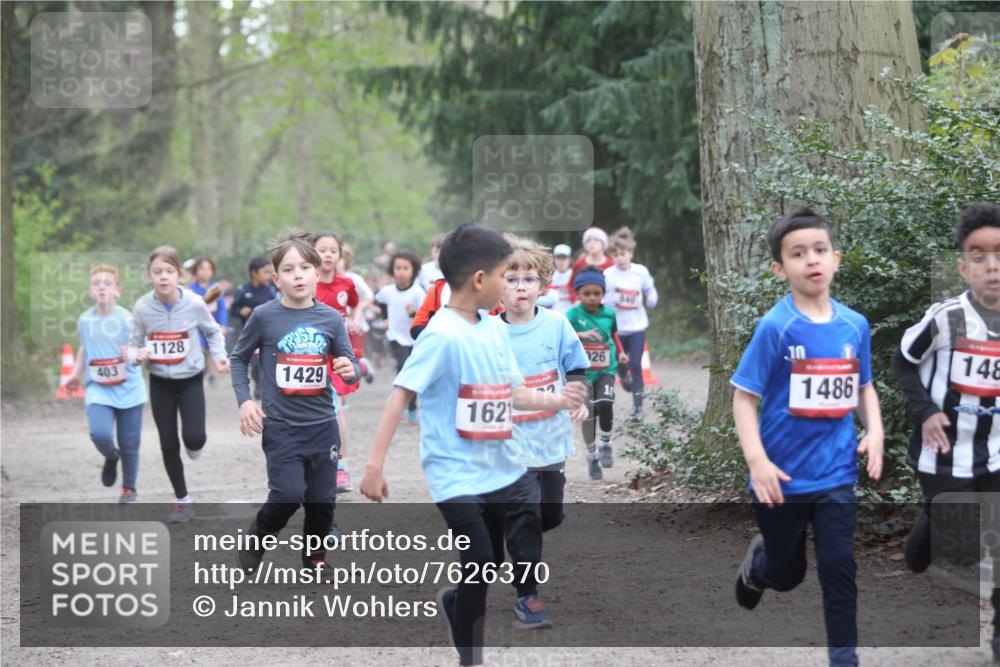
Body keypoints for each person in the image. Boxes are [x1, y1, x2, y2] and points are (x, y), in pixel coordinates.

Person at [359, 224, 587, 667]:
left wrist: (559, 400)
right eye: (506, 275)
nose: (513, 284)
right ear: (481, 280)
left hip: (504, 467)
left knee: (492, 561)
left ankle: (456, 604)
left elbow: (513, 393)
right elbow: (400, 395)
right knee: (481, 560)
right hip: (454, 472)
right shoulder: (442, 335)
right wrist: (373, 466)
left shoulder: (493, 330)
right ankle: (471, 657)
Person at [730, 208, 883, 667]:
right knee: (788, 573)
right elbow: (743, 398)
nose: (811, 260)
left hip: (836, 472)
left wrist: (874, 429)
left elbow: (862, 386)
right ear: (781, 268)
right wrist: (757, 461)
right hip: (780, 477)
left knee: (839, 568)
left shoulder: (854, 325)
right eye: (798, 254)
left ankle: (844, 659)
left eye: (819, 250)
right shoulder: (776, 328)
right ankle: (759, 568)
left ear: (836, 259)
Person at [892, 202, 1000, 663]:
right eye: (978, 256)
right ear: (962, 267)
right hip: (943, 451)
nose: (992, 266)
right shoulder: (945, 318)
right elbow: (902, 361)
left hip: (996, 451)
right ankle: (928, 531)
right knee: (961, 541)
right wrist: (925, 412)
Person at [231, 231, 359, 572]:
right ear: (276, 279)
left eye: (304, 267)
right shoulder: (264, 316)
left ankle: (314, 557)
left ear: (317, 273)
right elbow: (238, 358)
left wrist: (349, 370)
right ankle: (260, 533)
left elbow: (350, 367)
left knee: (322, 500)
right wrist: (245, 401)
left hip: (322, 426)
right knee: (287, 495)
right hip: (282, 427)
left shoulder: (331, 319)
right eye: (288, 269)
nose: (298, 275)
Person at [497, 234, 590, 630]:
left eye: (528, 279)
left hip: (549, 440)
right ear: (496, 284)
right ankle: (528, 598)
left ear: (543, 284)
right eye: (511, 278)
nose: (520, 286)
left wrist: (579, 396)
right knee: (526, 516)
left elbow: (577, 367)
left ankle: (503, 525)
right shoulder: (487, 332)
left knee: (549, 514)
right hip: (508, 444)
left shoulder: (556, 324)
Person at [128, 246, 231, 523]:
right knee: (168, 443)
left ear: (180, 275)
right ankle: (183, 501)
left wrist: (219, 357)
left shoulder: (194, 303)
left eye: (169, 271)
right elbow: (132, 344)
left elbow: (212, 332)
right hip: (160, 382)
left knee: (194, 439)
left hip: (190, 380)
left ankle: (194, 445)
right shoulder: (142, 307)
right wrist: (135, 356)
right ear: (149, 275)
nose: (163, 277)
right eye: (157, 272)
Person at [66, 264, 147, 503]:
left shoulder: (126, 318)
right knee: (99, 434)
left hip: (129, 388)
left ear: (117, 291)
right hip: (99, 387)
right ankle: (111, 456)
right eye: (96, 283)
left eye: (107, 283)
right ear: (91, 291)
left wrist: (138, 354)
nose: (102, 287)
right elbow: (85, 348)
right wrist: (74, 374)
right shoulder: (84, 320)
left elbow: (140, 345)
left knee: (130, 442)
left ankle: (129, 488)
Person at [565, 268, 629, 480]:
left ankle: (606, 443)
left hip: (605, 369)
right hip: (582, 372)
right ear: (578, 294)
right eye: (586, 294)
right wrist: (581, 334)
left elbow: (614, 334)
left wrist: (621, 353)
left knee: (605, 402)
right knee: (588, 413)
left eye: (596, 293)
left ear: (603, 293)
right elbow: (561, 336)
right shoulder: (572, 315)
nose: (592, 298)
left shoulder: (610, 313)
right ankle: (592, 455)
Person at [312, 231, 361, 493]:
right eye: (322, 249)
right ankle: (316, 464)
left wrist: (355, 319)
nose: (328, 254)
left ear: (340, 255)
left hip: (338, 357)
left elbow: (356, 304)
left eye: (333, 250)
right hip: (309, 356)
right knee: (320, 411)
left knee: (336, 409)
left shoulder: (347, 284)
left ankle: (341, 467)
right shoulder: (307, 284)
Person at [603, 228, 659, 416]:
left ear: (631, 253)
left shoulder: (640, 271)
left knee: (635, 364)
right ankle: (624, 379)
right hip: (617, 329)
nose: (620, 258)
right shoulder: (608, 274)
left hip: (636, 326)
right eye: (616, 254)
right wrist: (609, 302)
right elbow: (602, 298)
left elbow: (650, 289)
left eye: (623, 254)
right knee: (621, 365)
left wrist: (652, 299)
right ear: (612, 255)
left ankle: (638, 407)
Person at [375, 251, 426, 424]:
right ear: (392, 270)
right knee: (403, 368)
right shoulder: (387, 291)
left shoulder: (418, 292)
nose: (401, 272)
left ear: (413, 270)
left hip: (413, 339)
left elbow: (426, 315)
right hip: (395, 336)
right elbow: (380, 301)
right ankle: (404, 405)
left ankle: (411, 406)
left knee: (411, 372)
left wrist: (414, 313)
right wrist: (385, 319)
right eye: (398, 268)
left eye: (405, 268)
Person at [229, 256, 278, 400]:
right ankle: (257, 383)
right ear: (254, 273)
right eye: (266, 272)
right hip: (251, 334)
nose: (269, 275)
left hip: (269, 333)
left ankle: (269, 387)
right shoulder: (243, 290)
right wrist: (241, 311)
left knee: (270, 361)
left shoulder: (271, 290)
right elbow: (233, 310)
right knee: (255, 365)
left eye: (271, 272)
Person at [339, 243, 376, 384]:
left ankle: (364, 367)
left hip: (355, 325)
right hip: (336, 326)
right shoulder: (324, 280)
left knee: (354, 355)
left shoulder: (353, 279)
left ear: (346, 261)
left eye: (340, 258)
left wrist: (358, 309)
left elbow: (369, 295)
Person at [188, 257, 228, 385]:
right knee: (199, 348)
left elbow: (222, 308)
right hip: (196, 327)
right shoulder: (190, 290)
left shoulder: (216, 288)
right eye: (202, 268)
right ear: (196, 271)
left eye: (208, 269)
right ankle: (198, 371)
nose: (205, 272)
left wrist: (223, 324)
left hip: (212, 325)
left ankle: (211, 374)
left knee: (211, 350)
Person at [568, 227, 613, 303]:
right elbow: (570, 285)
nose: (591, 243)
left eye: (596, 240)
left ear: (603, 243)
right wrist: (575, 299)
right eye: (588, 240)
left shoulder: (611, 264)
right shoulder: (579, 263)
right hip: (583, 306)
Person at [543, 243, 574, 313]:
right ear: (554, 259)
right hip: (553, 312)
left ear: (569, 259)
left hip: (571, 312)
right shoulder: (548, 276)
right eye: (558, 258)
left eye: (564, 258)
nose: (561, 261)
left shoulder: (574, 275)